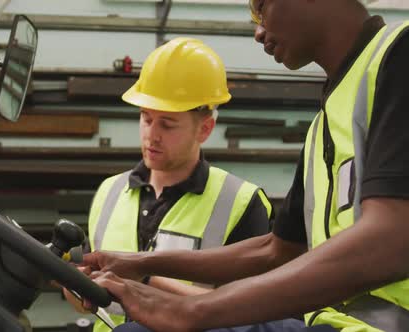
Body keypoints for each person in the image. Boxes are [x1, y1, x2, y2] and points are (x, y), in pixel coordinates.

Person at [80, 1, 409, 331]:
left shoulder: (399, 54)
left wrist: (190, 311)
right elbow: (276, 250)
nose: (258, 31)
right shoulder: (323, 125)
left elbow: (392, 238)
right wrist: (140, 263)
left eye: (261, 6)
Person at [64, 37, 274, 331]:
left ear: (205, 128)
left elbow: (250, 313)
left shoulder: (240, 202)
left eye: (168, 123)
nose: (152, 135)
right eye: (146, 119)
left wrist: (147, 278)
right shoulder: (109, 192)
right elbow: (91, 300)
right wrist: (73, 283)